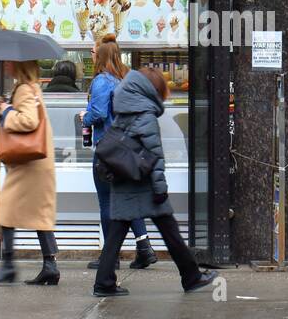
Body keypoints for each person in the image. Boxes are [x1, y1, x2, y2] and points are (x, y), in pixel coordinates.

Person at [92, 67, 215, 297]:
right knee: (171, 232)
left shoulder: (125, 106)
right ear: (154, 89)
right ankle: (191, 277)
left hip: (125, 179)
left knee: (116, 235)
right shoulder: (145, 113)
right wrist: (161, 189)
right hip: (145, 184)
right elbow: (154, 154)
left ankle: (104, 283)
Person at [81, 36, 156, 271]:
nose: (91, 57)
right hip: (128, 147)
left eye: (93, 53)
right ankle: (144, 249)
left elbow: (99, 113)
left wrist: (85, 117)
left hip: (107, 148)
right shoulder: (126, 79)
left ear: (100, 56)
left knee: (107, 202)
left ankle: (111, 257)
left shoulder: (102, 81)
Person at [0, 60, 59, 286]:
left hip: (28, 165)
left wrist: (6, 110)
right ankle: (50, 266)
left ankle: (8, 266)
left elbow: (28, 121)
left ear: (19, 65)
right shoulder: (32, 87)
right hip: (36, 163)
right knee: (40, 214)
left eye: (9, 63)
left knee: (5, 210)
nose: (6, 66)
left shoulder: (25, 89)